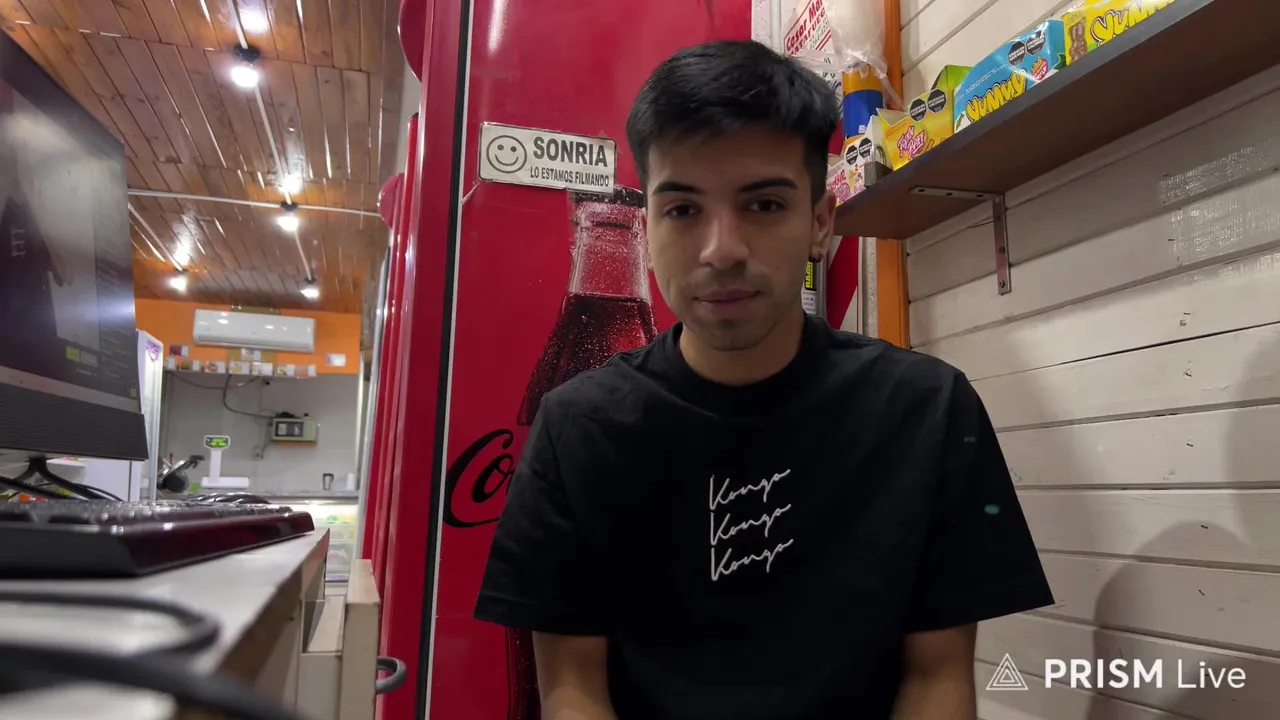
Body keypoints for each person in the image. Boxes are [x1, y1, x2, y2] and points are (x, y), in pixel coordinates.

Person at [475, 40, 1053, 720]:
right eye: (683, 210)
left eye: (765, 205)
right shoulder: (577, 429)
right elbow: (571, 690)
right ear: (647, 228)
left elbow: (938, 680)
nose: (722, 250)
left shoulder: (927, 411)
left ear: (819, 223)